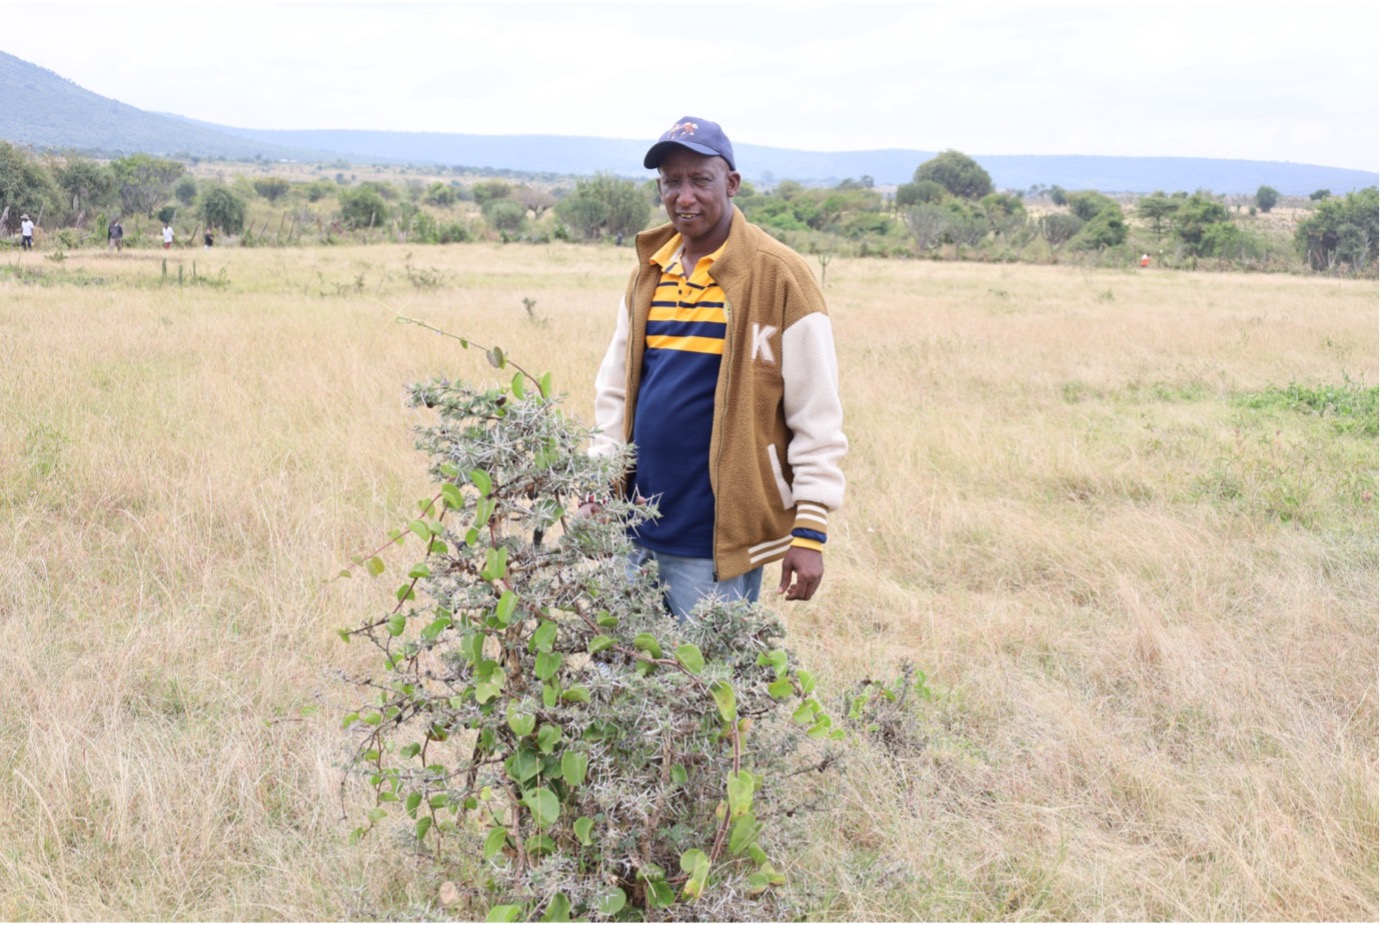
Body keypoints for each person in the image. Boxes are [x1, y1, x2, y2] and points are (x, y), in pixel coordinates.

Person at [590, 117, 847, 621]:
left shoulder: (781, 277)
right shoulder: (650, 272)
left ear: (731, 183)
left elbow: (817, 417)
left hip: (715, 543)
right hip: (632, 528)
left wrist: (810, 532)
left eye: (699, 180)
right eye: (671, 182)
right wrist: (599, 487)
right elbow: (616, 393)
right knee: (618, 683)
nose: (684, 196)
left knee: (703, 689)